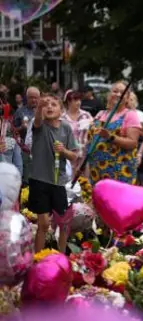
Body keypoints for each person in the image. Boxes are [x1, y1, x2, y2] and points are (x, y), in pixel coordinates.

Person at [27, 94, 78, 253]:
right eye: (46, 105)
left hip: (58, 182)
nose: (49, 107)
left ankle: (61, 256)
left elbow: (74, 156)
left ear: (61, 110)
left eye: (53, 104)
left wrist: (64, 151)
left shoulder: (66, 128)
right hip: (39, 181)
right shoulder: (40, 126)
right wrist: (38, 110)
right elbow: (36, 121)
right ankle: (38, 259)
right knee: (43, 224)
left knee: (63, 223)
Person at [86, 81, 142, 185]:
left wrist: (110, 137)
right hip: (96, 170)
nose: (118, 95)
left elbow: (133, 143)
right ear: (109, 95)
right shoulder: (100, 114)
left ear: (127, 97)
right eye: (115, 91)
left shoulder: (130, 115)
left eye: (122, 92)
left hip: (119, 171)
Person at [13, 86, 40, 183]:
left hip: (41, 149)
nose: (34, 100)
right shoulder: (20, 112)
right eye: (31, 97)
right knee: (27, 177)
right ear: (26, 98)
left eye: (36, 97)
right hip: (24, 150)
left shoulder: (44, 111)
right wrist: (21, 127)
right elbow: (13, 131)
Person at [61, 90, 93, 170]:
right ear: (68, 101)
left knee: (83, 179)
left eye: (79, 100)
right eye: (75, 100)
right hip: (69, 154)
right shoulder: (62, 118)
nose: (78, 102)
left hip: (84, 153)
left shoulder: (86, 115)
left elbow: (93, 131)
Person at [126, 93, 143, 186]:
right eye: (128, 99)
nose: (130, 101)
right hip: (125, 147)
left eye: (132, 99)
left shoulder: (142, 115)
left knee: (141, 175)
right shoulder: (121, 115)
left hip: (140, 146)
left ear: (136, 102)